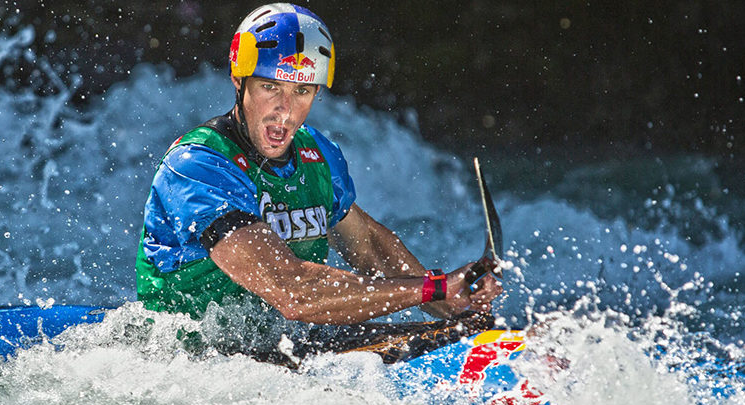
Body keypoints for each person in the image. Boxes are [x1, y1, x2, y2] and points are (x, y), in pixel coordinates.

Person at [136, 3, 501, 335]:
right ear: (238, 80)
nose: (285, 110)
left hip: (279, 342)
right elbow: (291, 292)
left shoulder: (317, 153)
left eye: (302, 91)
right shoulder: (199, 165)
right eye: (270, 87)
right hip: (191, 354)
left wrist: (449, 301)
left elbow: (369, 245)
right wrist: (432, 287)